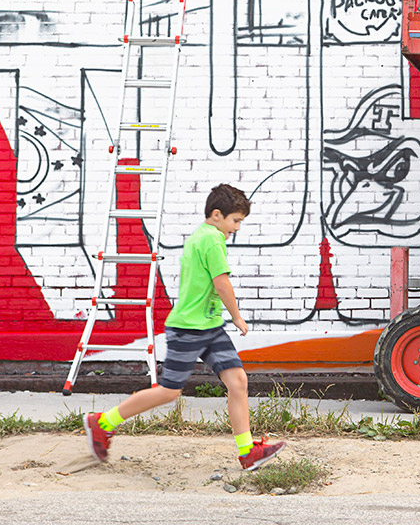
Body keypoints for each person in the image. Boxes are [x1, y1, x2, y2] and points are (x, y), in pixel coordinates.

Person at [84, 184, 286, 471]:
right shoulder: (213, 240)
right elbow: (221, 282)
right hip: (189, 328)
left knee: (238, 381)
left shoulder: (200, 236)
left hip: (210, 326)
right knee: (169, 391)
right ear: (217, 215)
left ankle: (247, 451)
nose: (237, 228)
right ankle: (102, 423)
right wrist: (238, 317)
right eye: (235, 221)